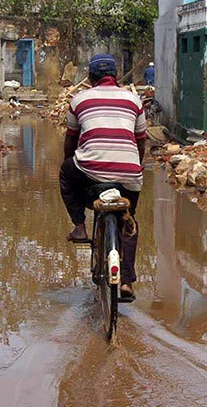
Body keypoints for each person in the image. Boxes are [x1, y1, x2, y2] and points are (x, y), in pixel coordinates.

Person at [60, 54, 146, 303]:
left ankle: (78, 226)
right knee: (128, 221)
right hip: (129, 173)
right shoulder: (134, 100)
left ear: (90, 78)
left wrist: (71, 161)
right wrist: (135, 168)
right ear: (116, 77)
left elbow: (70, 139)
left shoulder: (79, 99)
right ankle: (127, 281)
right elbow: (141, 140)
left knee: (66, 171)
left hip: (90, 169)